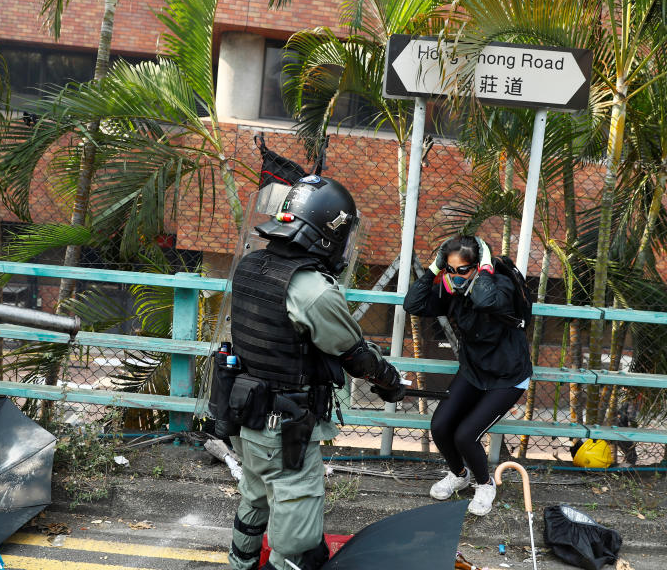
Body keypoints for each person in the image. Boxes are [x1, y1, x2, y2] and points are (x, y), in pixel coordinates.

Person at [224, 175, 405, 570]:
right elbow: (353, 354)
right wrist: (390, 381)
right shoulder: (312, 290)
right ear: (329, 232)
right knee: (297, 538)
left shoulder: (252, 265)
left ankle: (239, 564)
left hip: (247, 413)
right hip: (285, 427)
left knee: (254, 497)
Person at [403, 235, 532, 516]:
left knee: (465, 435)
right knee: (440, 426)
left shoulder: (501, 284)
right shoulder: (452, 290)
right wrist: (434, 270)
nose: (456, 276)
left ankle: (485, 484)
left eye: (462, 270)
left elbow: (485, 300)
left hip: (507, 376)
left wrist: (486, 268)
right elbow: (412, 305)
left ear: (478, 265)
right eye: (450, 269)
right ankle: (459, 475)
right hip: (474, 371)